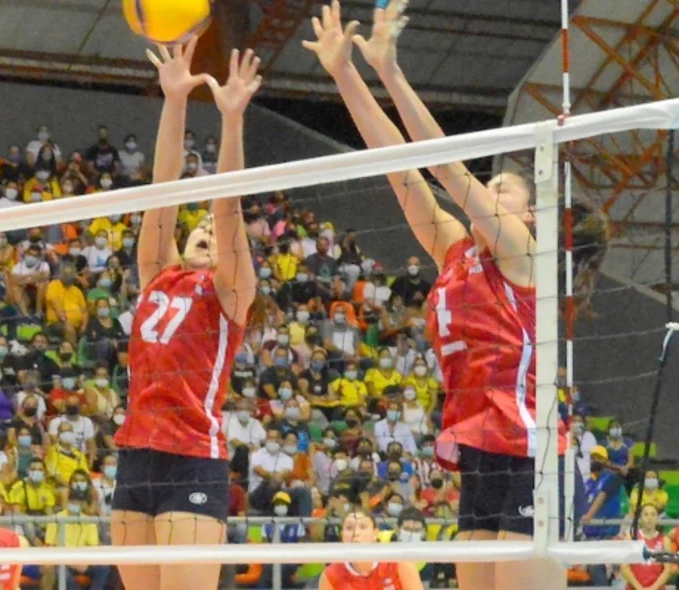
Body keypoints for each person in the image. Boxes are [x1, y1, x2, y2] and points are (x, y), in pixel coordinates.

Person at [302, 2, 609, 588]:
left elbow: (447, 169)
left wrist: (391, 72)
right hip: (480, 450)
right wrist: (345, 74)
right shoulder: (454, 250)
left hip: (531, 451)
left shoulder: (523, 252)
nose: (490, 188)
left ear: (531, 212)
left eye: (503, 186)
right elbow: (403, 170)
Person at [111, 38, 262, 590]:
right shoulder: (158, 271)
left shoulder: (231, 293)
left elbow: (228, 206)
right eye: (194, 229)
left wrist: (231, 121)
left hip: (192, 458)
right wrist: (174, 102)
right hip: (135, 456)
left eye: (211, 234)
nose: (203, 231)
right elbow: (162, 190)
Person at [320, 511, 422, 590]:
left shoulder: (399, 563)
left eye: (363, 527)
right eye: (349, 528)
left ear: (375, 533)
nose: (356, 533)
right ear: (342, 536)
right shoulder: (331, 575)